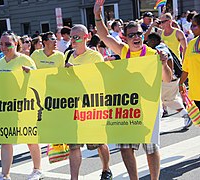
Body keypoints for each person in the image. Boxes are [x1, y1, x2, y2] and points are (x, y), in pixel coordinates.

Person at [94, 1, 172, 180]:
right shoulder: (124, 51)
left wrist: (164, 63)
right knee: (125, 147)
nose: (136, 37)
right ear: (125, 37)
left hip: (148, 107)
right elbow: (104, 36)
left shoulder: (153, 54)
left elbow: (167, 79)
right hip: (128, 107)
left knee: (151, 147)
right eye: (132, 35)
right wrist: (97, 14)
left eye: (139, 33)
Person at [65, 24, 112, 180]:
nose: (72, 40)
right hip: (73, 106)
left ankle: (106, 169)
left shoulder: (94, 56)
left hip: (91, 106)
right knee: (74, 146)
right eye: (71, 36)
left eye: (76, 37)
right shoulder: (67, 55)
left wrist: (76, 71)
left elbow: (98, 80)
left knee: (98, 143)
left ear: (86, 38)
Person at [0, 31, 41, 180]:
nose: (4, 47)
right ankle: (5, 174)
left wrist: (31, 73)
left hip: (25, 106)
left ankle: (37, 170)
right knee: (6, 139)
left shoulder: (25, 60)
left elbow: (38, 79)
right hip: (7, 106)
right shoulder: (1, 62)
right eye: (2, 44)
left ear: (16, 44)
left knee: (30, 139)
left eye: (8, 44)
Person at [147, 33, 192, 128]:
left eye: (149, 41)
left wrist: (168, 75)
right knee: (170, 100)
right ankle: (186, 115)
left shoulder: (160, 49)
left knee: (157, 101)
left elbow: (167, 59)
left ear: (154, 41)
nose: (147, 43)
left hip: (168, 81)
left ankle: (154, 126)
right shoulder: (162, 46)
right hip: (173, 80)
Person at [179, 14, 200, 110]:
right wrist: (181, 83)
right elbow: (186, 68)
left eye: (194, 25)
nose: (191, 28)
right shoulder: (192, 43)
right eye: (191, 25)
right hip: (196, 93)